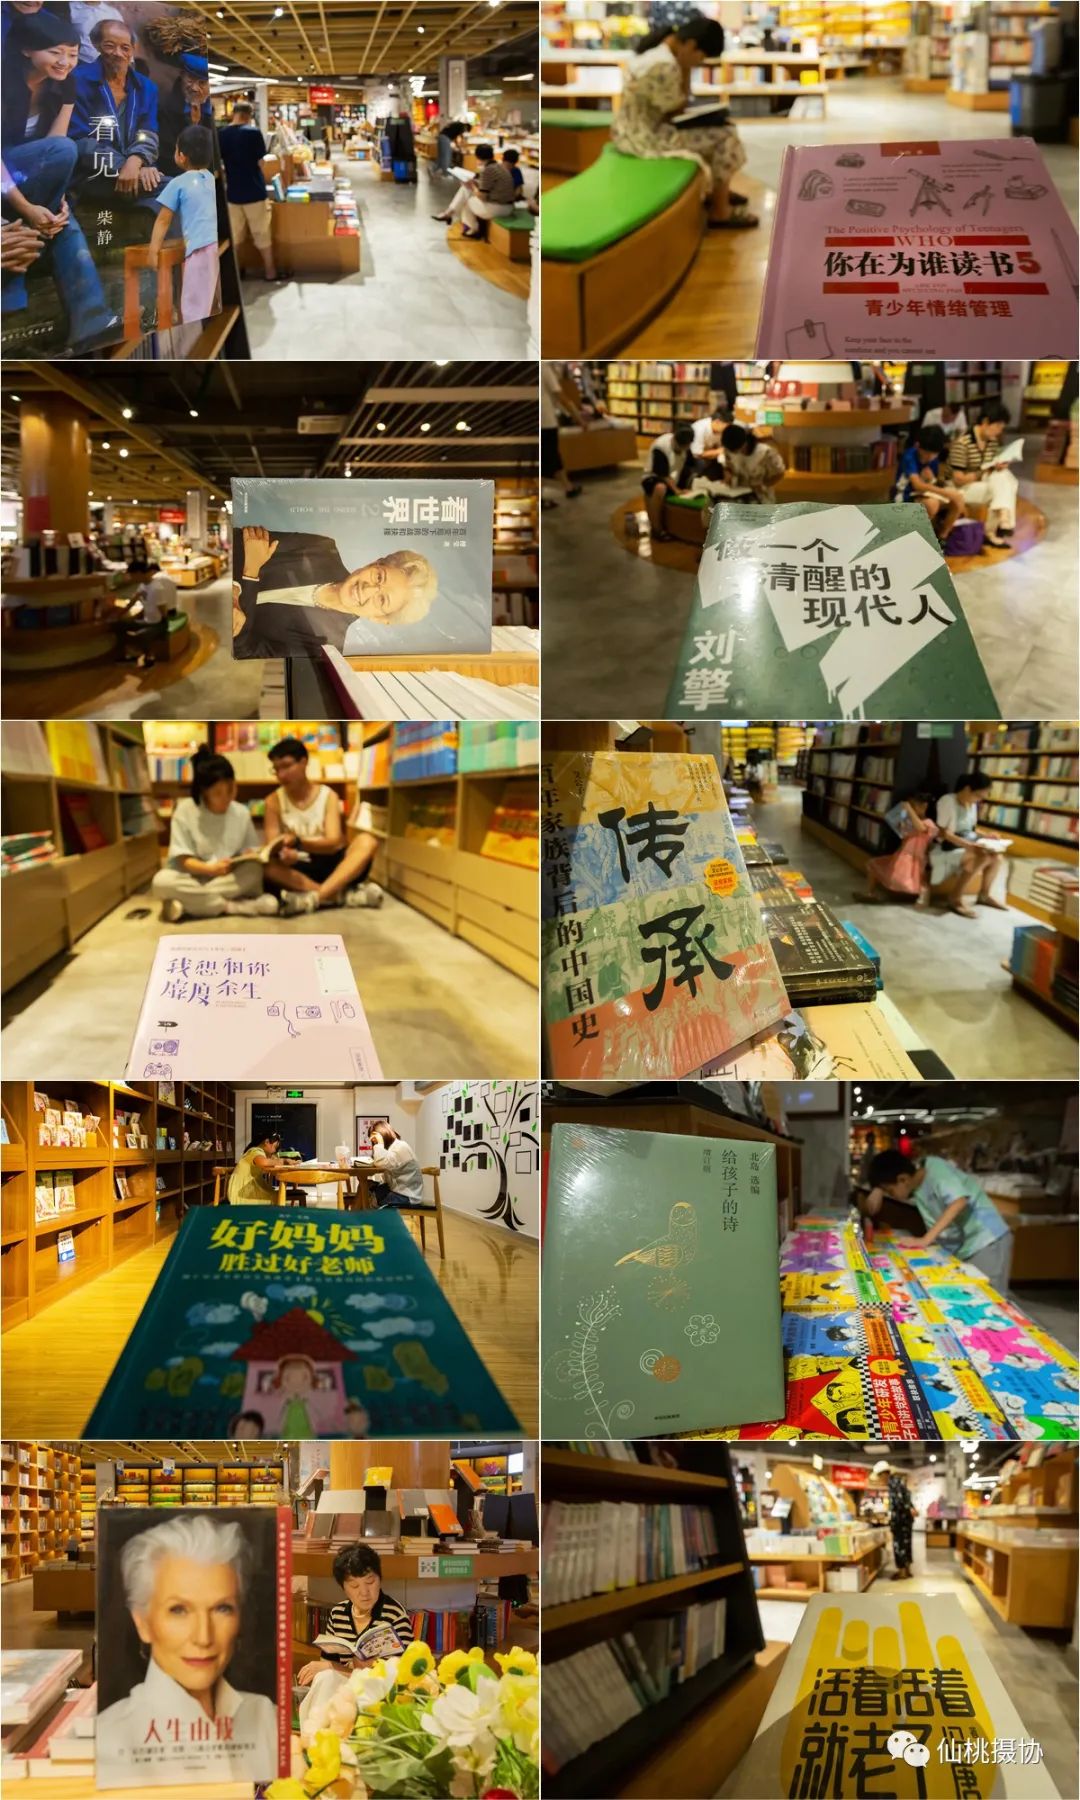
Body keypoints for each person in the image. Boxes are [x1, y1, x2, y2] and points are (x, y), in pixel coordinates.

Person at [96, 1514, 278, 1783]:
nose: (203, 1637)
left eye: (222, 1608)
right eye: (179, 1610)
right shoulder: (109, 1740)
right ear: (143, 1623)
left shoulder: (265, 1716)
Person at [1, 9, 119, 350]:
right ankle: (89, 315)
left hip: (26, 175)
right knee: (64, 160)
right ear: (26, 49)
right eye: (55, 52)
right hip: (5, 175)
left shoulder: (65, 83)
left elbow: (56, 145)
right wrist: (27, 208)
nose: (65, 62)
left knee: (60, 218)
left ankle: (90, 322)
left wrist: (57, 195)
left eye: (72, 53)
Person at [612, 12, 757, 230]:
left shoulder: (657, 54)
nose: (699, 63)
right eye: (701, 57)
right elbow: (676, 109)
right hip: (643, 138)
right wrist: (686, 70)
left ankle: (718, 191)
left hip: (630, 131)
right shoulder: (665, 65)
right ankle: (720, 211)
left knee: (718, 130)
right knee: (726, 136)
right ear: (690, 45)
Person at [233, 523, 437, 659]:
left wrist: (250, 572)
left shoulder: (325, 647)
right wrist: (236, 587)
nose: (367, 589)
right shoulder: (320, 548)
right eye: (378, 577)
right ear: (374, 563)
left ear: (380, 619)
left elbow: (246, 651)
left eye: (382, 600)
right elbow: (243, 542)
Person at [150, 747, 279, 922]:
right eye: (218, 793)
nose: (227, 797)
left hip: (225, 876)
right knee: (161, 882)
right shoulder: (185, 810)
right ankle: (232, 907)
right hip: (193, 876)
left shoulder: (241, 812)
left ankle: (190, 904)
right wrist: (209, 869)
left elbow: (250, 850)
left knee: (254, 870)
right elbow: (183, 859)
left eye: (231, 789)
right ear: (204, 792)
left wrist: (250, 854)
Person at [859, 1147, 1013, 1293]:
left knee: (989, 1294)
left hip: (986, 1240)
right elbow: (876, 1203)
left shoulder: (936, 1170)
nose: (892, 1196)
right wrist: (878, 1189)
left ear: (903, 1179)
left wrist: (925, 1240)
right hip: (965, 1245)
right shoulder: (915, 1185)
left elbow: (959, 1201)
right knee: (971, 1291)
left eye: (891, 1191)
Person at [261, 734, 382, 915]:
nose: (281, 775)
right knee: (265, 867)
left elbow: (333, 843)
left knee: (367, 841)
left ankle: (316, 897)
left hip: (331, 864)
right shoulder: (273, 801)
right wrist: (282, 854)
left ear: (304, 762)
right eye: (276, 769)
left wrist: (298, 842)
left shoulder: (328, 795)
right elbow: (272, 847)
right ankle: (337, 895)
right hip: (297, 869)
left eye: (286, 766)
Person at [70, 17, 163, 214]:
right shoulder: (78, 80)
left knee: (178, 192)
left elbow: (148, 132)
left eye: (125, 48)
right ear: (96, 45)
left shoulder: (146, 87)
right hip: (93, 174)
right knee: (170, 192)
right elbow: (80, 140)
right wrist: (125, 166)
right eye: (109, 46)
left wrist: (136, 160)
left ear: (133, 50)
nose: (118, 53)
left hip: (134, 169)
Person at [295, 1544, 412, 1687]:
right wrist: (334, 1668)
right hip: (344, 1690)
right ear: (343, 1588)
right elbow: (326, 1666)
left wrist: (337, 1669)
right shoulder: (338, 1614)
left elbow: (399, 1679)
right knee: (324, 1678)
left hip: (381, 1692)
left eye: (370, 1582)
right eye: (354, 1586)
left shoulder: (395, 1615)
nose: (364, 1592)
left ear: (380, 1579)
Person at [147, 122, 219, 324]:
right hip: (215, 244)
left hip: (200, 248)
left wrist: (153, 251)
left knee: (193, 306)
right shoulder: (211, 179)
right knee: (210, 299)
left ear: (181, 156)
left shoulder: (178, 182)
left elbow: (163, 219)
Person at [928, 772, 1007, 919]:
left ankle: (984, 895)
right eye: (978, 795)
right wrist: (969, 845)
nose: (979, 800)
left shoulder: (972, 804)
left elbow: (971, 829)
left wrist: (987, 836)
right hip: (946, 847)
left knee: (997, 857)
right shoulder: (947, 801)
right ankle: (955, 898)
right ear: (967, 789)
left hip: (964, 845)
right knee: (982, 857)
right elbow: (943, 833)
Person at [217, 99, 277, 283]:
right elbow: (261, 162)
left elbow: (221, 164)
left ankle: (236, 274)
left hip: (233, 194)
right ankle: (270, 272)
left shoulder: (221, 134)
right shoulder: (253, 133)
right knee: (262, 234)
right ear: (247, 115)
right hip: (255, 192)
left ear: (234, 113)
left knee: (235, 237)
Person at [946, 402, 1019, 548]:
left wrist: (998, 466)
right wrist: (985, 471)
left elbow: (990, 468)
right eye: (997, 426)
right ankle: (996, 527)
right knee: (1004, 486)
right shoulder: (963, 443)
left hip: (980, 483)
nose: (999, 431)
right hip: (960, 488)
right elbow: (958, 480)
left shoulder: (992, 442)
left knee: (1003, 476)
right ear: (985, 422)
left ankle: (1001, 519)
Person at [892, 424, 964, 542]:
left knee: (958, 500)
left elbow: (933, 482)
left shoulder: (933, 459)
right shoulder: (910, 456)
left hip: (924, 494)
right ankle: (915, 538)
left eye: (934, 454)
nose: (930, 457)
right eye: (927, 453)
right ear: (917, 446)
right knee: (932, 504)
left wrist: (933, 480)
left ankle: (942, 538)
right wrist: (946, 493)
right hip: (905, 496)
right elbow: (917, 485)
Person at [864, 791, 938, 905]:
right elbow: (903, 830)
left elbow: (921, 828)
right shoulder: (910, 822)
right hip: (902, 855)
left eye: (914, 806)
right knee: (873, 864)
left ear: (924, 806)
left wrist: (909, 809)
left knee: (918, 879)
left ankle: (923, 896)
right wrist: (903, 812)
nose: (911, 809)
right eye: (911, 806)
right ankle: (869, 893)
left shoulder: (929, 823)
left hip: (915, 858)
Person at [431, 140, 515, 238]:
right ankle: (449, 214)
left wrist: (472, 186)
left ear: (478, 157)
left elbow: (482, 196)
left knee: (466, 200)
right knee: (466, 190)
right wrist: (473, 185)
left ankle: (472, 228)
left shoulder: (488, 170)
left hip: (498, 208)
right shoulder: (498, 167)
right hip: (507, 206)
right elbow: (490, 187)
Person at [158, 50, 212, 178]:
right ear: (182, 76)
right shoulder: (165, 109)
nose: (195, 88)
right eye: (190, 80)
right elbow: (166, 153)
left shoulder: (209, 108)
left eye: (202, 83)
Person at [116, 560, 177, 667]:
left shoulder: (157, 588)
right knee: (120, 625)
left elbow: (163, 611)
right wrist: (119, 614)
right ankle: (130, 655)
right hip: (147, 621)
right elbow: (133, 600)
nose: (130, 577)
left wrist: (163, 627)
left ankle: (149, 656)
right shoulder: (142, 585)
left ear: (138, 573)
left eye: (132, 575)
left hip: (158, 624)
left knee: (142, 635)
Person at [642, 421, 697, 539]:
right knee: (660, 488)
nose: (683, 449)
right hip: (654, 477)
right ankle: (657, 530)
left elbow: (691, 465)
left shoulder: (686, 446)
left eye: (686, 447)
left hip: (675, 476)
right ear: (674, 438)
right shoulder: (661, 446)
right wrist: (677, 491)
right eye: (680, 446)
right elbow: (663, 475)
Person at [540, 360, 583, 508]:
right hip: (546, 422)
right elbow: (560, 395)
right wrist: (577, 417)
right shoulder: (544, 367)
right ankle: (541, 498)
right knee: (549, 459)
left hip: (543, 422)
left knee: (552, 457)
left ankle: (568, 488)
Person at [718, 423, 786, 502]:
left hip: (761, 498)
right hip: (737, 494)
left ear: (744, 443)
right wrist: (727, 476)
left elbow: (779, 473)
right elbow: (728, 466)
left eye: (736, 450)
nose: (734, 453)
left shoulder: (766, 453)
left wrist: (763, 485)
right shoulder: (729, 449)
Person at [366, 1123, 425, 1211]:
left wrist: (380, 1142)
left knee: (372, 1202)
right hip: (398, 1190)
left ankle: (368, 1217)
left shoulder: (401, 1147)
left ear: (384, 1134)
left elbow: (380, 1162)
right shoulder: (392, 1148)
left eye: (375, 1140)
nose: (374, 1143)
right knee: (366, 1189)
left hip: (407, 1196)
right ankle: (363, 1216)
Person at [227, 1131, 284, 1205]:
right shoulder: (255, 1151)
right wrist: (283, 1161)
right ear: (267, 1142)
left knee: (278, 1195)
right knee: (279, 1197)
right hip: (241, 1192)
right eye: (275, 1147)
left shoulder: (257, 1152)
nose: (275, 1150)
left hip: (244, 1189)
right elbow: (263, 1162)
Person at [887, 1471, 914, 1580]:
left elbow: (899, 1503)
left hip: (899, 1521)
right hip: (907, 1521)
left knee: (899, 1546)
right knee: (907, 1545)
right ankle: (907, 1570)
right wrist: (910, 1509)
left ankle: (902, 1572)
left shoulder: (893, 1484)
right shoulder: (903, 1486)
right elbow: (908, 1503)